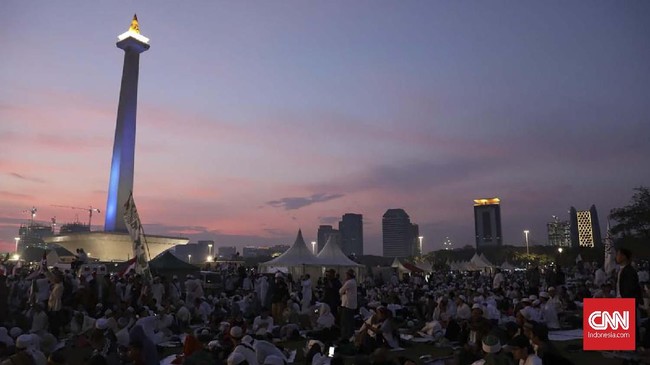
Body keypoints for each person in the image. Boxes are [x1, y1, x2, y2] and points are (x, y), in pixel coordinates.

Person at [339, 269, 358, 341]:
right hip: (351, 304)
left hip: (347, 304)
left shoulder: (349, 282)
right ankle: (350, 336)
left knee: (344, 321)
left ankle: (345, 336)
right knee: (350, 321)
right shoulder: (353, 282)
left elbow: (341, 290)